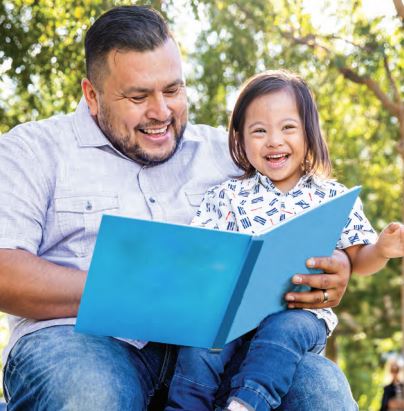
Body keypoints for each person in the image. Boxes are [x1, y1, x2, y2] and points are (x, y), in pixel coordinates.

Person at [0, 5, 357, 411]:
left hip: (220, 347)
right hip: (80, 342)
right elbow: (4, 272)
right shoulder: (32, 151)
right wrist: (137, 289)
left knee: (319, 390)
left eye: (173, 90)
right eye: (138, 97)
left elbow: (304, 211)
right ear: (92, 95)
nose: (161, 112)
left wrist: (336, 264)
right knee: (91, 394)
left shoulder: (233, 154)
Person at [165, 70, 404, 411]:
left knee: (284, 330)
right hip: (231, 312)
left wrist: (381, 249)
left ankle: (247, 404)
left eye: (288, 128)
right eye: (259, 131)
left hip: (300, 312)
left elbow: (358, 259)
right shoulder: (227, 195)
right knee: (201, 343)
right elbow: (202, 251)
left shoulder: (331, 197)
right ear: (240, 139)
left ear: (309, 132)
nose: (274, 140)